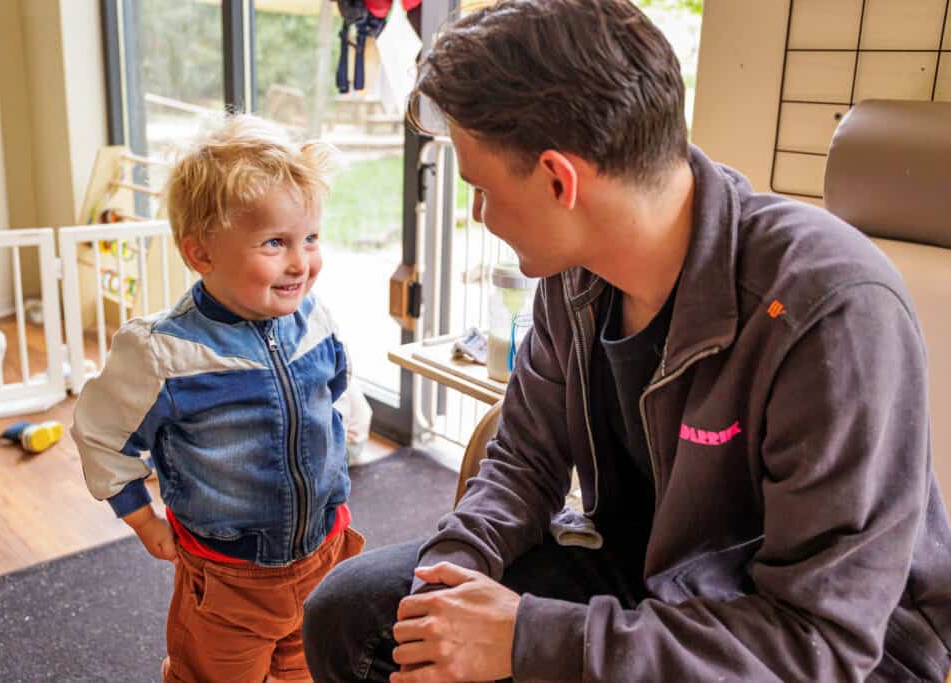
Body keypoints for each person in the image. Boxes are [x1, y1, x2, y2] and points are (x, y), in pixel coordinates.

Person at [301, 1, 951, 681]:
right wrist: (453, 570)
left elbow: (817, 641)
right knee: (357, 616)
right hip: (644, 572)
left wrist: (531, 638)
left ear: (559, 179)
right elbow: (524, 457)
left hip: (808, 642)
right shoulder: (574, 275)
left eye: (481, 188)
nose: (479, 214)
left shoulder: (829, 310)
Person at [71, 114, 364, 683]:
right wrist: (141, 519)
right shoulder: (164, 352)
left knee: (310, 668)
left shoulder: (313, 317)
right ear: (201, 254)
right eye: (274, 243)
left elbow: (335, 390)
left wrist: (345, 431)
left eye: (310, 238)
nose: (301, 262)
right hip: (229, 578)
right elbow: (101, 435)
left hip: (324, 551)